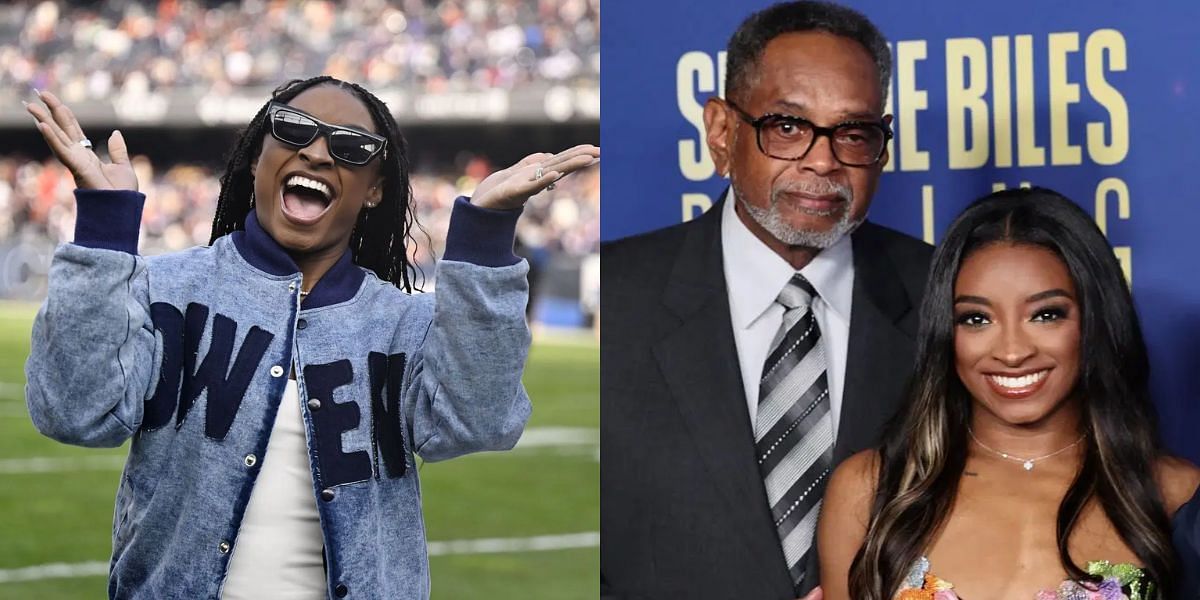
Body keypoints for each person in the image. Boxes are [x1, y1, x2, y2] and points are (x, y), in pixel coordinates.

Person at [22, 77, 599, 599]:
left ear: (374, 190)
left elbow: (479, 423)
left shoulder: (402, 322)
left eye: (350, 149)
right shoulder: (167, 289)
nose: (318, 152)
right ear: (257, 159)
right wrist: (103, 226)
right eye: (294, 130)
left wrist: (485, 234)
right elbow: (74, 412)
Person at [600, 2, 932, 598]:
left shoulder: (946, 297)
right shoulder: (617, 295)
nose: (824, 160)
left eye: (854, 132)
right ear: (722, 133)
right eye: (788, 127)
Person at [817, 188, 1200, 600]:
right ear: (946, 333)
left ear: (1094, 320)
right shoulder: (871, 491)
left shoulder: (1176, 495)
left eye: (1046, 314)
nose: (1013, 351)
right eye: (976, 318)